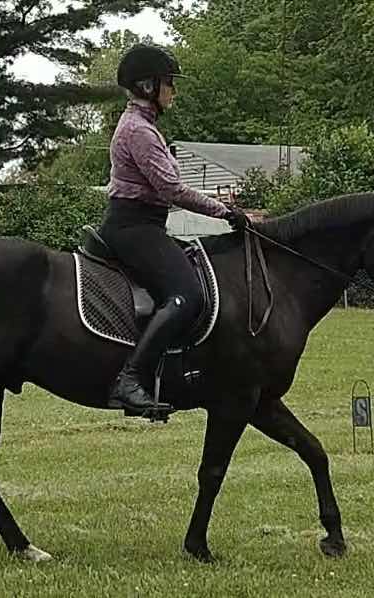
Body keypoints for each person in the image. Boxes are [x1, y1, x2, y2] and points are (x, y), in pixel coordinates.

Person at [99, 44, 250, 413]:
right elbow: (172, 190)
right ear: (148, 86)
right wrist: (224, 211)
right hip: (134, 227)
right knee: (186, 294)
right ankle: (130, 379)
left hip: (144, 224)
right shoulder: (139, 131)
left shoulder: (145, 127)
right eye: (169, 82)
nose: (174, 90)